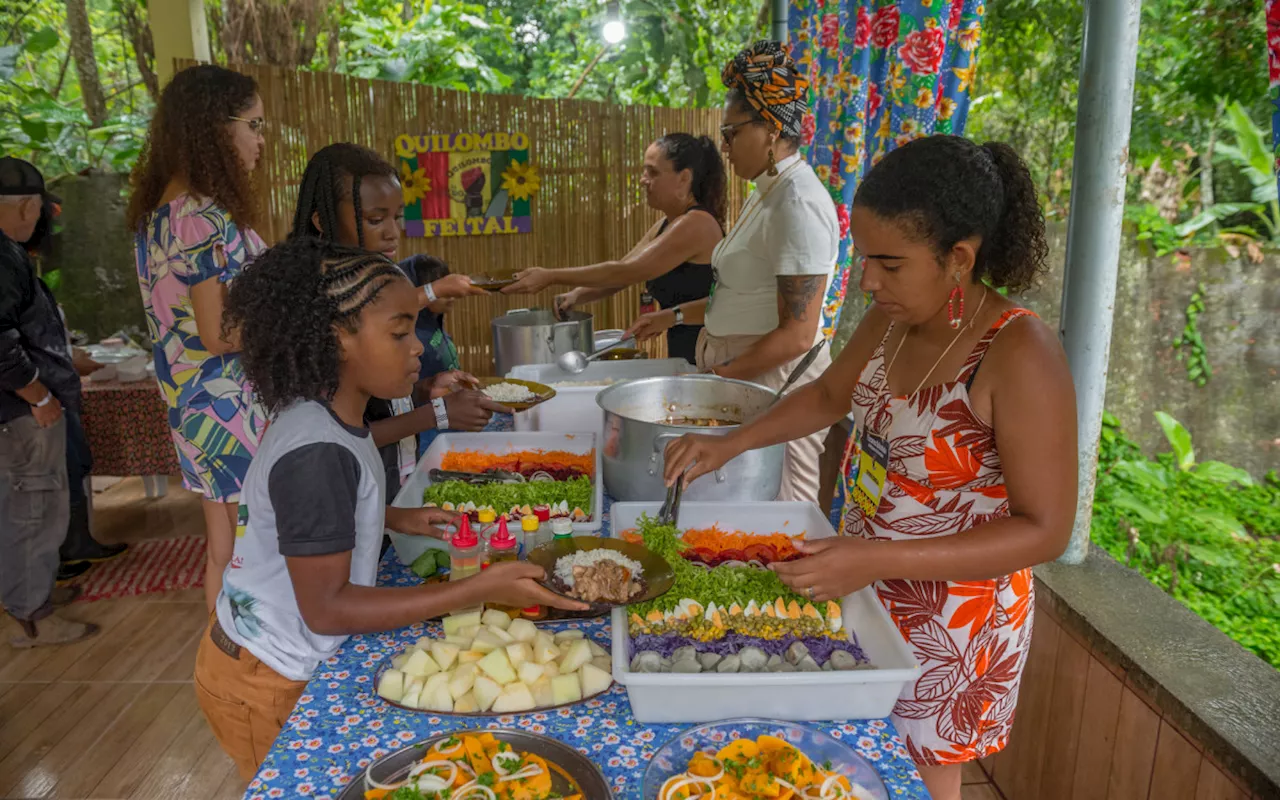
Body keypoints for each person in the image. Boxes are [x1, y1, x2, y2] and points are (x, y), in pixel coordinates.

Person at [663, 135, 1078, 800]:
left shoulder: (1018, 350)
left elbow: (1046, 530)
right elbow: (828, 396)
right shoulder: (892, 322)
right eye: (864, 258)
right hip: (861, 583)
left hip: (953, 627)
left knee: (916, 779)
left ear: (959, 260)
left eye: (889, 262)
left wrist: (876, 557)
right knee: (846, 768)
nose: (867, 281)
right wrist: (731, 442)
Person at [198, 237, 585, 778]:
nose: (417, 350)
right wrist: (475, 590)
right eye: (400, 332)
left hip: (277, 660)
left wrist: (391, 516)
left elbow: (321, 501)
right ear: (338, 340)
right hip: (265, 676)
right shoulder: (315, 451)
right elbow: (328, 607)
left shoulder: (329, 413)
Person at [629, 41, 839, 505]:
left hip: (776, 383)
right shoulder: (766, 194)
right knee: (738, 508)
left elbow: (797, 335)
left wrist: (718, 380)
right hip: (746, 378)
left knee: (781, 512)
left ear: (769, 129)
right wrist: (674, 318)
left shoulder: (796, 203)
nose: (723, 146)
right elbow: (743, 295)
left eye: (731, 133)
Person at [127, 64, 269, 611]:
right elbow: (218, 333)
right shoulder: (203, 217)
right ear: (215, 127)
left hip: (191, 404)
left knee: (224, 549)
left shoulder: (156, 215)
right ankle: (249, 669)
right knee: (249, 548)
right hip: (230, 404)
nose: (259, 141)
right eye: (253, 125)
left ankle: (223, 669)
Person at [290, 143, 507, 491]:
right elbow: (340, 433)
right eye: (376, 220)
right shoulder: (316, 308)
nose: (393, 232)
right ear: (322, 221)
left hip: (390, 489)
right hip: (346, 497)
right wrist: (438, 414)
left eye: (398, 216)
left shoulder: (379, 281)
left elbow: (372, 404)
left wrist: (423, 391)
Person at [501, 133, 726, 364]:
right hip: (686, 354)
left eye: (653, 172)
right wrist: (578, 294)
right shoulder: (666, 224)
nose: (643, 180)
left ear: (684, 178)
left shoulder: (696, 224)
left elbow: (627, 271)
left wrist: (551, 276)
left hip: (711, 356)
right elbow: (622, 274)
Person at [0, 156, 99, 647]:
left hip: (26, 408)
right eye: (37, 209)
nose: (37, 220)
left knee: (37, 506)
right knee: (31, 510)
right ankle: (31, 617)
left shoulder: (9, 253)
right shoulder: (1, 257)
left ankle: (30, 596)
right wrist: (37, 394)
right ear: (23, 206)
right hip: (21, 412)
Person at [21, 197, 130, 571]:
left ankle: (76, 543)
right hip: (38, 395)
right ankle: (48, 565)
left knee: (72, 465)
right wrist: (37, 394)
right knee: (48, 478)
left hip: (57, 390)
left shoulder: (26, 274)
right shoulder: (12, 274)